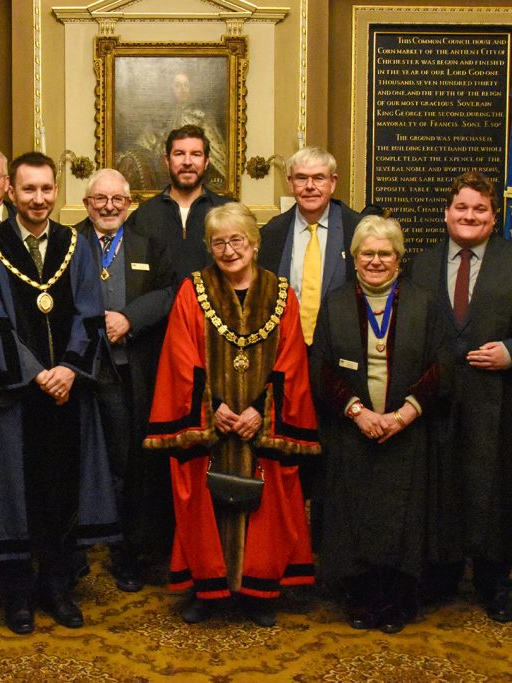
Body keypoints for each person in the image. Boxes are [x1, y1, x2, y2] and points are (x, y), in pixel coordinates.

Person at [143, 202, 321, 628]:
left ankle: (259, 592)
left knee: (267, 509)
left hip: (261, 426)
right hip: (213, 425)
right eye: (218, 242)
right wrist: (213, 408)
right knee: (204, 506)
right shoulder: (194, 289)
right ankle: (208, 590)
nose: (228, 250)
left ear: (255, 244)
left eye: (237, 239)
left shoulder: (280, 294)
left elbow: (291, 360)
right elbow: (180, 356)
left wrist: (261, 411)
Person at [409, 171, 512, 623]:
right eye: (461, 208)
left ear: (493, 216)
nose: (469, 216)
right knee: (440, 489)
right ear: (446, 213)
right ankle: (440, 576)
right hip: (436, 404)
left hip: (498, 405)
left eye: (479, 209)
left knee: (492, 492)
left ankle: (494, 582)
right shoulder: (420, 266)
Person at [0, 152, 120, 635]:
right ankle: (18, 596)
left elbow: (89, 314)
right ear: (11, 192)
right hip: (17, 397)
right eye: (29, 189)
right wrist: (37, 374)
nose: (38, 199)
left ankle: (57, 587)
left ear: (57, 192)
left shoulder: (76, 245)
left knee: (60, 490)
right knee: (14, 495)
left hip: (67, 395)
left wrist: (70, 369)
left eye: (47, 189)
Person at [312, 215, 443, 634]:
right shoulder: (334, 304)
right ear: (353, 259)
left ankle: (398, 601)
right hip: (355, 431)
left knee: (401, 519)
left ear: (399, 259)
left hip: (408, 431)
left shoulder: (425, 303)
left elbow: (443, 366)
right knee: (357, 516)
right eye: (366, 253)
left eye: (385, 253)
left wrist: (404, 414)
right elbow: (322, 369)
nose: (375, 261)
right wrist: (357, 412)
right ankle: (361, 596)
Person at [73, 168, 176, 591]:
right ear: (86, 204)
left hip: (126, 373)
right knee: (76, 461)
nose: (109, 206)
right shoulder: (67, 243)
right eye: (100, 199)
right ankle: (72, 553)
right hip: (77, 372)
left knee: (124, 464)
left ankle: (124, 551)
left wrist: (130, 317)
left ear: (129, 203)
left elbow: (171, 292)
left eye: (118, 199)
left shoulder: (146, 245)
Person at [258, 146, 363, 346]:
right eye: (301, 178)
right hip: (285, 348)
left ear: (332, 183)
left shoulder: (356, 229)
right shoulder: (272, 234)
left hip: (340, 350)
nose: (309, 186)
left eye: (318, 178)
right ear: (290, 183)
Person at [129, 124, 232, 280]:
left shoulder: (227, 212)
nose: (187, 162)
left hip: (212, 304)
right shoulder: (144, 215)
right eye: (179, 154)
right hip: (159, 304)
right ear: (167, 161)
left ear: (206, 162)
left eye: (196, 154)